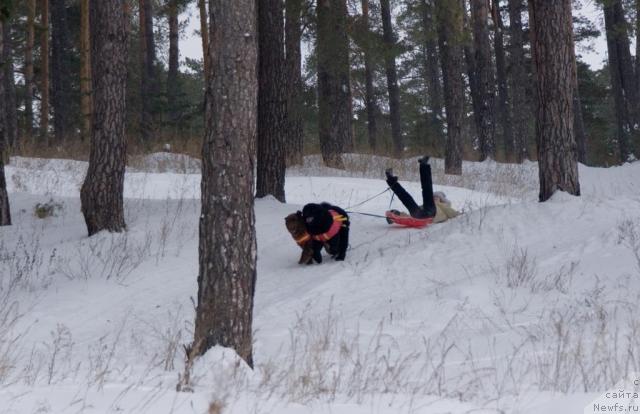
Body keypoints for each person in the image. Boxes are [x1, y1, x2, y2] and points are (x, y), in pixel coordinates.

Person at [385, 156, 460, 224]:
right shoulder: (428, 205)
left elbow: (452, 213)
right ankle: (391, 180)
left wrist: (460, 215)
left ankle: (424, 166)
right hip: (422, 215)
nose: (435, 198)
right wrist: (399, 215)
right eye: (435, 196)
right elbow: (413, 218)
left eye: (437, 197)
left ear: (442, 200)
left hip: (431, 214)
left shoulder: (443, 205)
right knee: (408, 199)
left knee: (427, 191)